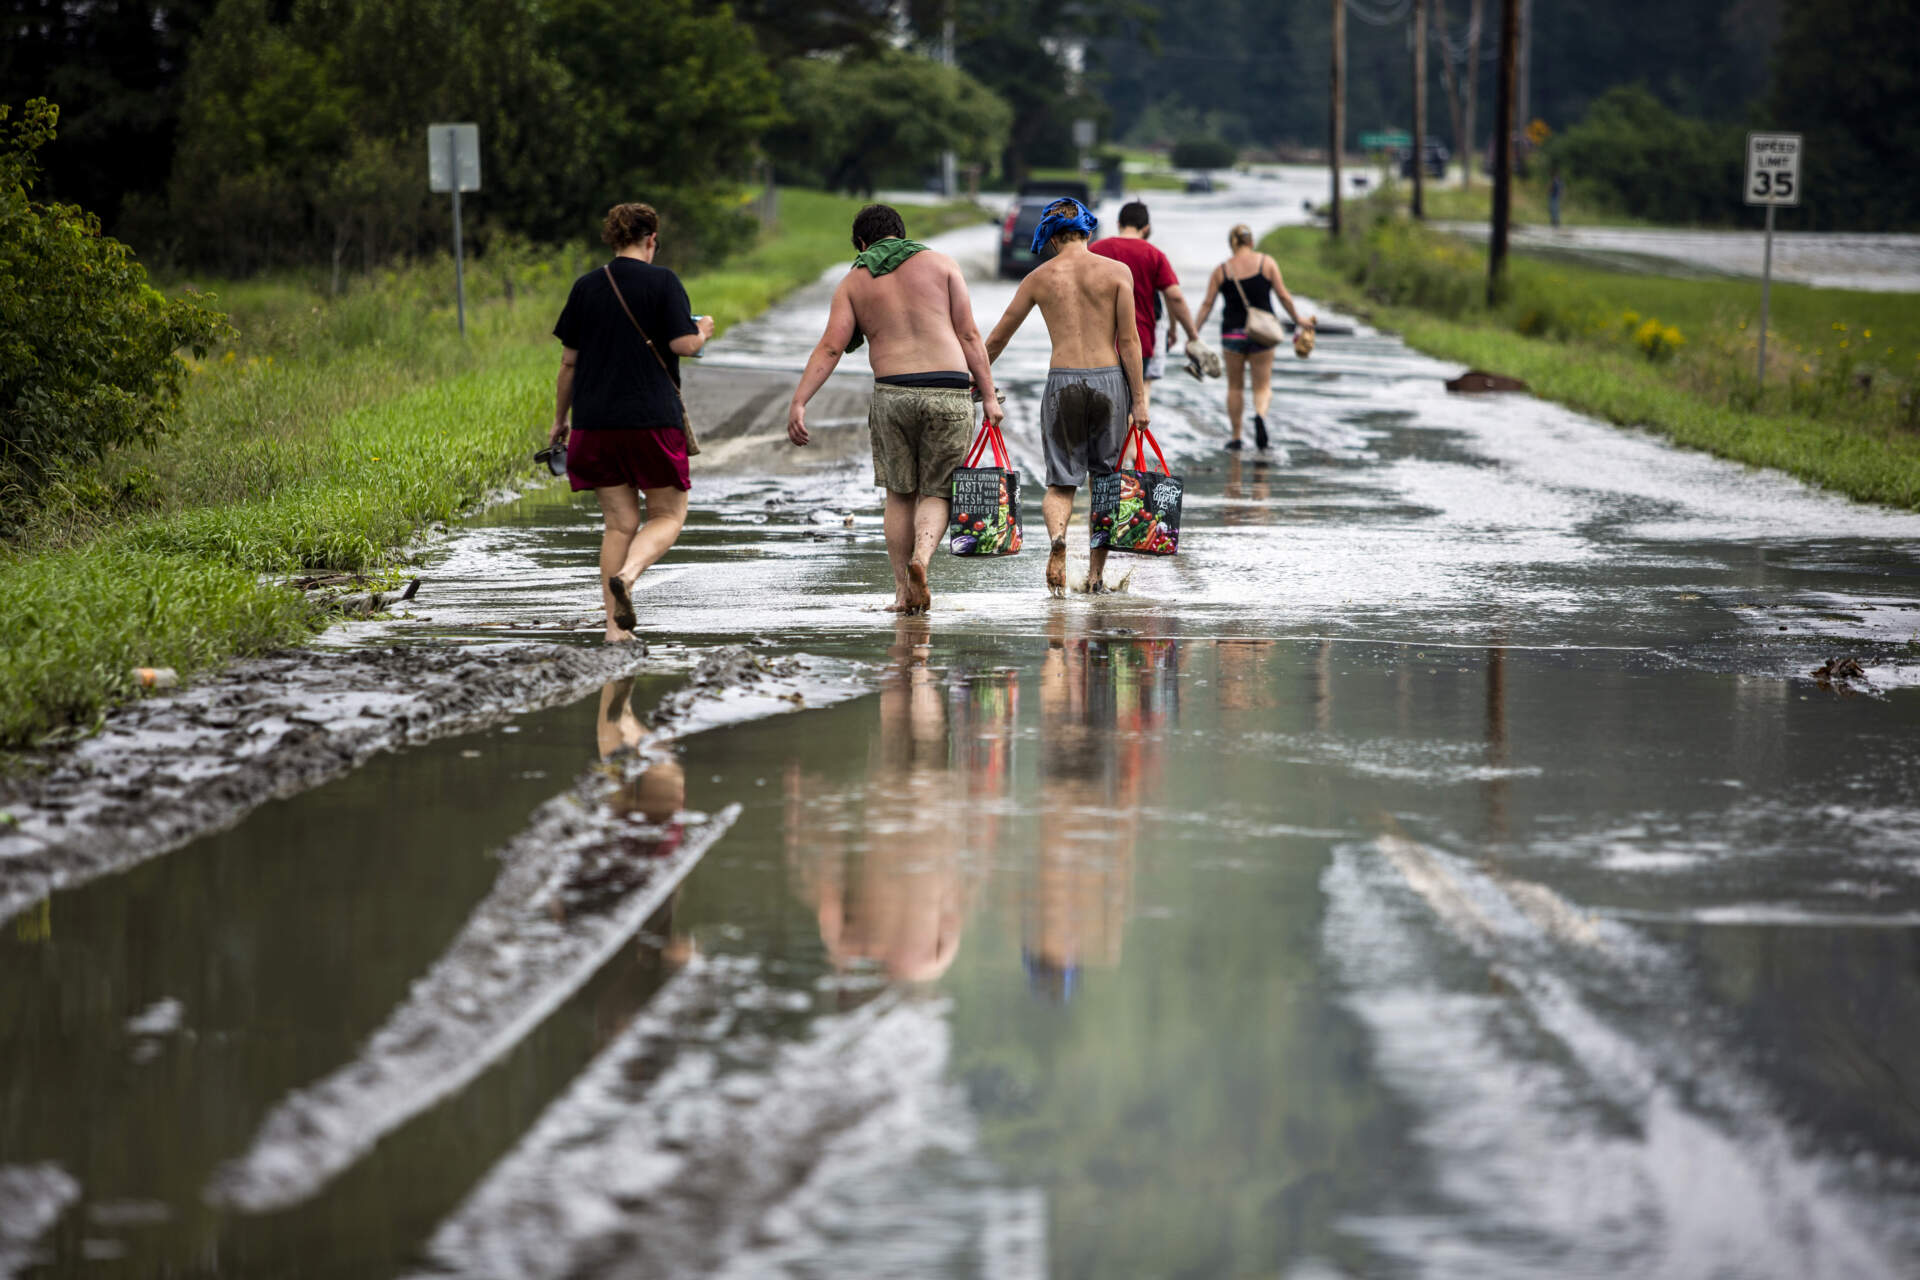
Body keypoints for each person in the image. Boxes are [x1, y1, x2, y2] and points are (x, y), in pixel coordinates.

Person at [788, 204, 1003, 614]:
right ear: (901, 235)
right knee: (938, 489)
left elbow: (832, 347)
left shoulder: (853, 282)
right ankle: (922, 559)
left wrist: (800, 402)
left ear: (863, 244)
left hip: (893, 393)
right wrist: (989, 395)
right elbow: (970, 335)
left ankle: (903, 592)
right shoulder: (942, 265)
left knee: (900, 494)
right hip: (949, 391)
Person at [549, 202, 713, 643]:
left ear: (613, 237)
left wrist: (560, 420)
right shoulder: (664, 282)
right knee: (667, 514)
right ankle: (630, 573)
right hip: (650, 422)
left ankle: (612, 631)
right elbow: (682, 345)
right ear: (651, 239)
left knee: (619, 524)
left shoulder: (586, 287)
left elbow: (568, 364)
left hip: (594, 424)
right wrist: (704, 333)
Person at [984, 198, 1146, 597]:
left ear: (1052, 238)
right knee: (1106, 482)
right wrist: (1139, 400)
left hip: (1063, 381)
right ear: (1087, 232)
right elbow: (1129, 341)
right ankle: (1095, 577)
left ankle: (1059, 538)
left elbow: (1000, 335)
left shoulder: (1039, 278)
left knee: (1060, 482)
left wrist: (978, 378)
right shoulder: (1117, 273)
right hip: (1109, 381)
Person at [1193, 224, 1314, 452]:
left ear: (1232, 243)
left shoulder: (1222, 270)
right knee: (1262, 386)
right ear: (1251, 242)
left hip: (1232, 333)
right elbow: (1283, 296)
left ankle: (1237, 436)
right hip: (1263, 333)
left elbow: (1207, 304)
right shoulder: (1266, 263)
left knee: (1235, 387)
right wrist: (1298, 318)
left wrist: (1194, 332)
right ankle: (1259, 415)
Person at [1090, 200, 1201, 402]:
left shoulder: (1096, 249)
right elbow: (1174, 297)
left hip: (1097, 343)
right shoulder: (1154, 255)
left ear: (1118, 223)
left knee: (1102, 408)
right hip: (1139, 341)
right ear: (1146, 228)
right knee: (1133, 407)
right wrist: (1192, 336)